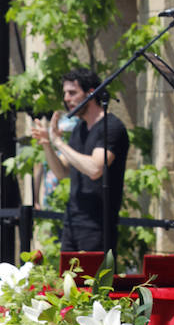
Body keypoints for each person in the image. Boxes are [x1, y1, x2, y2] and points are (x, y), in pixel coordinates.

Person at [33, 68, 130, 254]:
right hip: (72, 222)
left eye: (72, 93)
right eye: (65, 94)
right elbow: (61, 172)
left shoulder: (112, 127)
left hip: (97, 226)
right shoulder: (79, 129)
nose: (66, 99)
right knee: (68, 281)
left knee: (95, 282)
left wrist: (59, 142)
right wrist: (48, 144)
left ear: (91, 93)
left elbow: (95, 168)